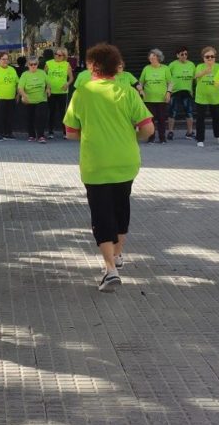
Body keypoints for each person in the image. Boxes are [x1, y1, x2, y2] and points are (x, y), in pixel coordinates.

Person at [64, 43, 153, 292]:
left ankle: (110, 268)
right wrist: (129, 138)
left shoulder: (82, 93)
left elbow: (70, 132)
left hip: (96, 163)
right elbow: (148, 129)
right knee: (121, 208)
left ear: (92, 66)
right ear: (116, 67)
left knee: (101, 214)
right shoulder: (128, 92)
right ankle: (118, 254)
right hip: (126, 161)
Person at [137, 48, 172, 143]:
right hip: (148, 99)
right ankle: (151, 138)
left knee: (161, 119)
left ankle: (162, 138)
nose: (151, 59)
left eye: (153, 57)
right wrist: (140, 90)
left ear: (158, 58)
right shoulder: (146, 68)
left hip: (162, 99)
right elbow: (141, 82)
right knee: (150, 120)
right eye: (150, 57)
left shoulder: (165, 68)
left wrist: (168, 92)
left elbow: (170, 82)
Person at [193, 46, 219, 147]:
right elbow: (195, 76)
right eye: (207, 57)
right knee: (200, 119)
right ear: (203, 58)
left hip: (215, 97)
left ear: (215, 57)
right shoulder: (200, 66)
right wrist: (205, 72)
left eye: (212, 56)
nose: (210, 58)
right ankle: (200, 139)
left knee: (217, 118)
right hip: (201, 97)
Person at [17, 56, 50, 142]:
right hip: (29, 100)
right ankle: (31, 135)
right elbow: (20, 88)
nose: (33, 66)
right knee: (30, 118)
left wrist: (48, 89)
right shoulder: (25, 75)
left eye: (35, 64)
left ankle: (41, 136)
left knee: (41, 117)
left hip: (42, 99)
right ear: (28, 65)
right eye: (31, 64)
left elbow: (48, 83)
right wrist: (24, 96)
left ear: (37, 64)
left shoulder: (42, 73)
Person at [167, 46, 195, 140]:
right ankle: (170, 132)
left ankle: (189, 132)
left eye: (186, 54)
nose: (184, 56)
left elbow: (193, 78)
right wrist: (168, 92)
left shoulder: (191, 64)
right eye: (182, 54)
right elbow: (167, 78)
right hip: (175, 91)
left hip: (187, 91)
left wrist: (191, 90)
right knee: (172, 112)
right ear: (177, 55)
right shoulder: (172, 65)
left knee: (189, 112)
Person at [45, 46, 74, 138]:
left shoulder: (67, 64)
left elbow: (71, 78)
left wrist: (67, 84)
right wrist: (47, 87)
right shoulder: (48, 63)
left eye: (59, 55)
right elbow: (43, 76)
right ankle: (50, 132)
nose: (57, 56)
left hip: (62, 92)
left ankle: (65, 132)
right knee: (51, 112)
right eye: (56, 54)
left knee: (63, 113)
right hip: (51, 92)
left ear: (64, 56)